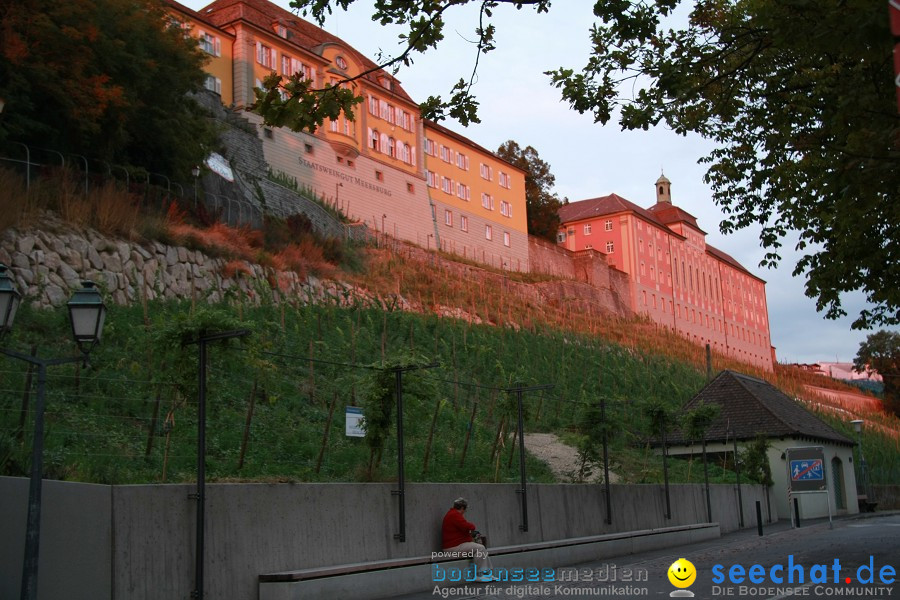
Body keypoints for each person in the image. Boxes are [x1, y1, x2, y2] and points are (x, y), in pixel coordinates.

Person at [441, 497, 494, 582]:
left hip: (456, 545)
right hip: (453, 548)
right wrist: (471, 527)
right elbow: (469, 526)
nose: (465, 512)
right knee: (480, 548)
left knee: (481, 548)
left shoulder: (452, 514)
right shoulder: (454, 515)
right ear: (462, 508)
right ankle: (479, 575)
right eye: (465, 510)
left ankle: (487, 573)